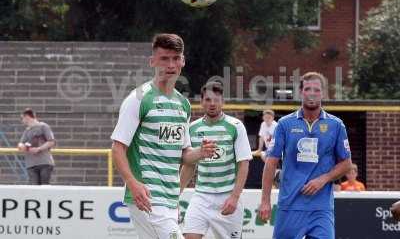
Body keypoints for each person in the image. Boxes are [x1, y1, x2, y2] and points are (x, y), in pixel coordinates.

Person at [110, 33, 216, 239]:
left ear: (183, 61)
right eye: (164, 58)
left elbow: (184, 155)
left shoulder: (182, 104)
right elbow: (118, 148)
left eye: (176, 58)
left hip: (169, 199)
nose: (171, 64)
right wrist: (132, 182)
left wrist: (201, 153)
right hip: (147, 197)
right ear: (152, 62)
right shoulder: (138, 98)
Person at [258, 71, 353, 239]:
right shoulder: (284, 124)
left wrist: (323, 179)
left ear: (322, 93)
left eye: (316, 90)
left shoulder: (336, 125)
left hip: (321, 208)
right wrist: (265, 200)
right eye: (308, 89)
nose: (312, 93)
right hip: (290, 205)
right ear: (301, 92)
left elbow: (346, 164)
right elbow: (271, 163)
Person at [180, 81, 253, 239]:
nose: (212, 104)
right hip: (201, 196)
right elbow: (189, 165)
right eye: (207, 99)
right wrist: (175, 195)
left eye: (216, 100)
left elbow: (244, 164)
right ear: (201, 102)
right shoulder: (192, 128)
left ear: (223, 102)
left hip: (227, 196)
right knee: (190, 236)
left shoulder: (235, 126)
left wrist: (234, 197)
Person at [17, 108, 56, 185]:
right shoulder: (27, 131)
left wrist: (39, 149)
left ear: (27, 117)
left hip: (44, 163)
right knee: (34, 189)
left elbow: (51, 142)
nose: (22, 121)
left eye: (22, 118)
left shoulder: (43, 126)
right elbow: (20, 143)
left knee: (44, 188)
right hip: (31, 164)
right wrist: (22, 146)